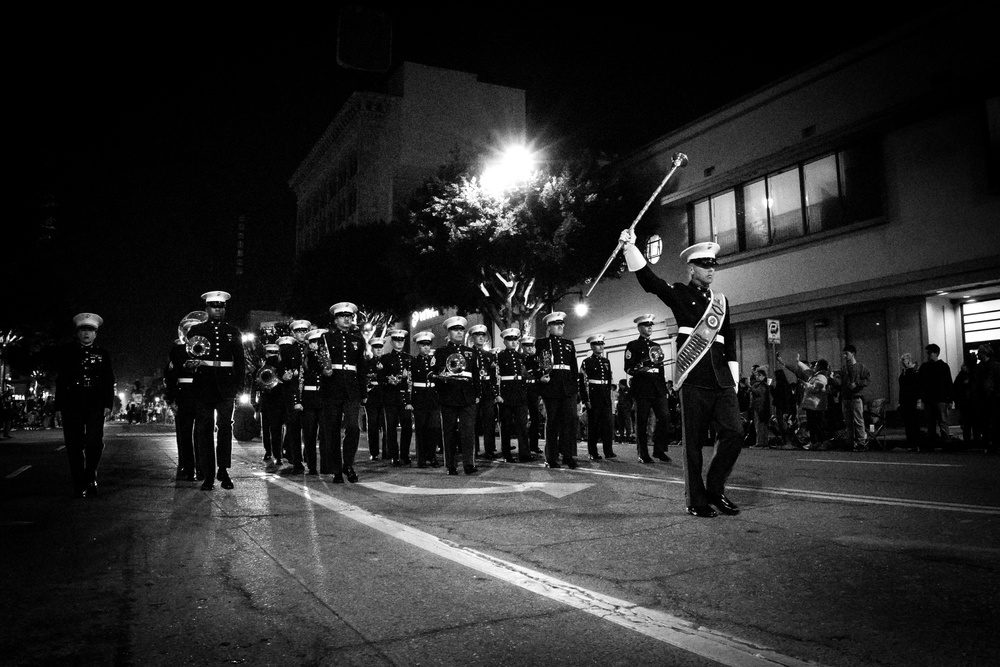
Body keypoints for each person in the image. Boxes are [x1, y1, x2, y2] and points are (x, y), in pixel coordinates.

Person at [619, 231, 742, 518]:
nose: (711, 269)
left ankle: (715, 488)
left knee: (735, 432)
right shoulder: (679, 293)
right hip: (694, 376)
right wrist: (630, 248)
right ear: (691, 268)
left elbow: (730, 341)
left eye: (713, 265)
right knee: (693, 444)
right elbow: (650, 282)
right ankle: (696, 500)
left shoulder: (721, 303)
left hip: (721, 377)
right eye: (705, 265)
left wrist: (733, 378)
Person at [187, 291, 246, 491]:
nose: (218, 310)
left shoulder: (233, 331)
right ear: (207, 308)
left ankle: (223, 470)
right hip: (204, 385)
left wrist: (240, 387)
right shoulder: (196, 329)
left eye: (221, 306)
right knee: (204, 430)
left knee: (225, 428)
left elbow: (240, 362)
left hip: (226, 386)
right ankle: (208, 474)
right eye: (214, 306)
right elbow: (187, 352)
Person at [54, 313, 115, 497]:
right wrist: (58, 406)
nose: (86, 334)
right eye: (83, 330)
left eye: (90, 330)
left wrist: (108, 404)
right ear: (77, 333)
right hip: (72, 403)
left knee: (94, 443)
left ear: (95, 334)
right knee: (74, 444)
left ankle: (90, 476)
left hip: (95, 403)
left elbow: (108, 380)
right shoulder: (68, 353)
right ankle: (78, 481)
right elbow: (62, 381)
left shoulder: (102, 354)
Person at [319, 302, 369, 483]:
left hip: (352, 389)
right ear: (335, 319)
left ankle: (348, 464)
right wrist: (323, 372)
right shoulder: (326, 338)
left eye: (349, 316)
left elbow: (362, 368)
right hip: (332, 388)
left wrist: (363, 392)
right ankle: (336, 470)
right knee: (332, 431)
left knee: (353, 428)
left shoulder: (358, 340)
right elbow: (317, 364)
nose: (347, 319)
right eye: (342, 316)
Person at [432, 316, 482, 475]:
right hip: (448, 395)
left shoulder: (471, 352)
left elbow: (476, 375)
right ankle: (451, 465)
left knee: (468, 432)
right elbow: (435, 374)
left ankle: (469, 464)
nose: (459, 333)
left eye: (461, 330)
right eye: (456, 330)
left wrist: (477, 394)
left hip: (467, 396)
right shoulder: (441, 352)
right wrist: (441, 388)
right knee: (449, 432)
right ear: (449, 332)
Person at [533, 311, 580, 469]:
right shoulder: (542, 343)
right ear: (549, 327)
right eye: (556, 324)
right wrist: (541, 376)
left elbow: (574, 366)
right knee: (552, 423)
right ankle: (551, 457)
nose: (560, 326)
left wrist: (575, 386)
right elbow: (536, 364)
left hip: (567, 387)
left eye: (561, 324)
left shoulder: (569, 343)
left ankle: (567, 456)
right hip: (551, 387)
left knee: (569, 422)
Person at [164, 311, 207, 481]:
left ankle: (201, 467)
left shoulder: (206, 349)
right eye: (188, 330)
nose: (191, 333)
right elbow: (170, 377)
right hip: (183, 396)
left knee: (202, 434)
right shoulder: (177, 351)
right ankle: (187, 467)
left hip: (201, 395)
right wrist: (171, 399)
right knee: (184, 434)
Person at [625, 314, 672, 463]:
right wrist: (639, 369)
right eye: (646, 325)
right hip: (642, 387)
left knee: (665, 418)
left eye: (651, 325)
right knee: (642, 421)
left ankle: (659, 450)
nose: (650, 327)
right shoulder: (633, 345)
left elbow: (661, 368)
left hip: (658, 387)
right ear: (639, 328)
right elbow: (628, 368)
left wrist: (665, 389)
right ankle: (643, 453)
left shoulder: (656, 346)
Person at [496, 327, 533, 463]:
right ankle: (507, 454)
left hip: (520, 393)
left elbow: (529, 373)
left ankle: (525, 453)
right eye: (510, 340)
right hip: (506, 394)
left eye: (515, 340)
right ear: (505, 341)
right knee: (506, 426)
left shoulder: (522, 357)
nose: (513, 342)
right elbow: (496, 377)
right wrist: (497, 394)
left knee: (522, 426)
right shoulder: (499, 356)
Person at [379, 328, 414, 466]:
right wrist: (389, 380)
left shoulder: (409, 358)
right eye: (396, 340)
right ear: (392, 341)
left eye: (401, 340)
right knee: (391, 428)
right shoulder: (386, 358)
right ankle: (394, 455)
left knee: (407, 427)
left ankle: (404, 454)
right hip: (391, 397)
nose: (399, 342)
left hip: (405, 397)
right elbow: (380, 377)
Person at [281, 320, 311, 473]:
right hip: (292, 391)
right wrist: (283, 376)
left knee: (309, 428)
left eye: (304, 331)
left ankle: (309, 459)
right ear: (293, 333)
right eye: (298, 331)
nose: (301, 334)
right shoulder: (287, 350)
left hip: (309, 392)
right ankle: (297, 462)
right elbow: (279, 369)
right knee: (294, 427)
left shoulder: (312, 348)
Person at [580, 334, 616, 460]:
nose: (600, 346)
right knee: (593, 425)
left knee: (607, 425)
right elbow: (583, 382)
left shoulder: (606, 362)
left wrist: (609, 397)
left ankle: (608, 451)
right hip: (594, 397)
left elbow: (608, 381)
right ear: (592, 346)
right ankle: (592, 452)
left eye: (602, 344)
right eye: (597, 344)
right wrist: (586, 399)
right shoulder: (587, 362)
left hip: (605, 396)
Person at [298, 329, 328, 475]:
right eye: (313, 342)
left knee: (325, 434)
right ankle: (311, 465)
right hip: (309, 399)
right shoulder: (305, 358)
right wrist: (299, 399)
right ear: (309, 344)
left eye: (319, 342)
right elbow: (300, 380)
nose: (316, 345)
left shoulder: (326, 357)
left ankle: (325, 465)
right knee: (309, 434)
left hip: (323, 397)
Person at [468, 324, 500, 460]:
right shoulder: (469, 354)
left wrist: (495, 393)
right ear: (473, 338)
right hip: (474, 391)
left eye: (483, 336)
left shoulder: (489, 355)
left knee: (489, 422)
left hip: (487, 392)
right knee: (473, 423)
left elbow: (493, 376)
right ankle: (474, 450)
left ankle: (489, 449)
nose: (481, 338)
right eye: (478, 336)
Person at [251, 343, 285, 468]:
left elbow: (255, 387)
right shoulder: (277, 368)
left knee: (267, 428)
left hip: (268, 402)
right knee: (276, 429)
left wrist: (253, 402)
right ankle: (277, 454)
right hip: (275, 402)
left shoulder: (262, 368)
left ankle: (269, 452)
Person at [410, 330, 441, 467]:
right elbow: (409, 383)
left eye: (428, 345)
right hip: (419, 398)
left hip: (433, 398)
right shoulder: (413, 362)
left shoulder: (435, 362)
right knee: (421, 430)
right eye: (423, 345)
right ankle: (421, 459)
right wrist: (409, 401)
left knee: (433, 429)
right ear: (418, 346)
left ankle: (432, 456)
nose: (426, 348)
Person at [832, 344, 871, 452]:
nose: (844, 356)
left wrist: (857, 383)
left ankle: (861, 443)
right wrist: (833, 378)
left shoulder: (861, 367)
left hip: (856, 397)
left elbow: (867, 380)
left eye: (846, 354)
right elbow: (839, 382)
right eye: (844, 354)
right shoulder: (844, 368)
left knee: (858, 421)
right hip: (846, 398)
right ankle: (850, 442)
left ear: (853, 354)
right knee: (848, 422)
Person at [919, 343, 953, 451]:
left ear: (936, 353)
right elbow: (948, 383)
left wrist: (950, 399)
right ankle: (940, 442)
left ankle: (941, 442)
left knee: (937, 421)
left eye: (929, 353)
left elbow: (948, 383)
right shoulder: (941, 366)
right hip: (936, 398)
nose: (928, 355)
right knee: (936, 422)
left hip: (937, 399)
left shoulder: (930, 367)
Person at [971, 344, 1000, 454]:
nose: (978, 356)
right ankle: (990, 442)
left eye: (980, 354)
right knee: (987, 421)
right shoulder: (984, 366)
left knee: (991, 421)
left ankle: (992, 442)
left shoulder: (992, 366)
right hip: (986, 397)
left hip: (990, 398)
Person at [520, 336, 544, 454]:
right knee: (523, 419)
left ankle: (534, 445)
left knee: (535, 419)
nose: (529, 348)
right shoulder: (520, 359)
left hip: (534, 390)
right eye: (527, 346)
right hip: (523, 389)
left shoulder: (536, 359)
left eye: (531, 346)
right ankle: (525, 447)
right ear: (522, 347)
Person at [365, 336, 387, 461]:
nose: (378, 350)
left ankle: (386, 451)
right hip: (372, 397)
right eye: (376, 348)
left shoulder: (387, 362)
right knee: (372, 426)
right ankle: (374, 452)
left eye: (380, 348)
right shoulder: (367, 363)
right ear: (372, 349)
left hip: (384, 395)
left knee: (386, 425)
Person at [897, 352, 922, 450]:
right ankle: (911, 443)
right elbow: (901, 389)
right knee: (907, 423)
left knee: (914, 422)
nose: (902, 362)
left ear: (908, 360)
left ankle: (916, 443)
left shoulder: (914, 371)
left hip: (912, 400)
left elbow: (918, 386)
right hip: (905, 401)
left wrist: (919, 400)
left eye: (904, 360)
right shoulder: (904, 372)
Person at [749, 365, 772, 448]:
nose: (757, 377)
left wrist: (750, 387)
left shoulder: (763, 385)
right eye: (757, 375)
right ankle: (763, 442)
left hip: (761, 408)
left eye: (759, 375)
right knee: (761, 426)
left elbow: (758, 393)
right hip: (759, 408)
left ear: (764, 376)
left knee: (760, 426)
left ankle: (760, 443)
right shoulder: (759, 384)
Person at [953, 361, 973, 448]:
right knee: (965, 423)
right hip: (964, 402)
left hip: (971, 402)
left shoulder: (972, 376)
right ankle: (967, 440)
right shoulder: (960, 377)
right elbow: (956, 388)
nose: (963, 367)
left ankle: (973, 440)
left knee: (972, 423)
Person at [615, 379, 633, 444]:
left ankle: (628, 436)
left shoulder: (628, 390)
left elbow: (631, 400)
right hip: (620, 409)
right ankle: (621, 436)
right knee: (620, 423)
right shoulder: (619, 391)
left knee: (627, 423)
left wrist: (628, 407)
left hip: (626, 409)